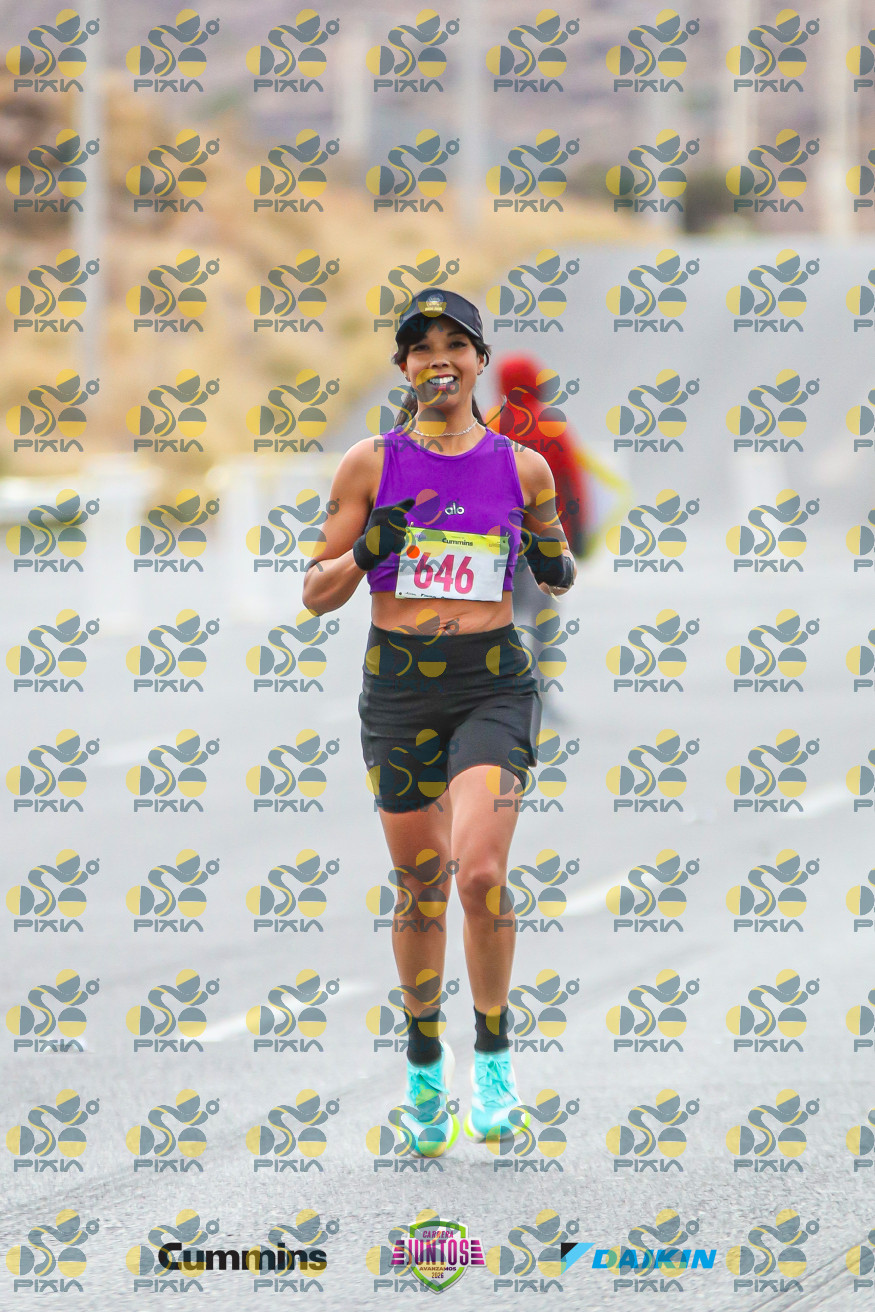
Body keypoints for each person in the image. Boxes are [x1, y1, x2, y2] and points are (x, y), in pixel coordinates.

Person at [302, 290, 576, 1155]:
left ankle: (492, 1054)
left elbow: (557, 565)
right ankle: (425, 1063)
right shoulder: (368, 465)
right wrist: (368, 551)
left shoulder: (522, 467)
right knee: (420, 883)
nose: (438, 360)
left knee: (480, 873)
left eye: (454, 344)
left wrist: (549, 555)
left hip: (489, 682)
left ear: (478, 361)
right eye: (420, 348)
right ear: (403, 368)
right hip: (398, 689)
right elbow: (315, 593)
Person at [488, 353, 590, 639]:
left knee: (506, 608)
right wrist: (578, 531)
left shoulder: (490, 425)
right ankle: (539, 667)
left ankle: (509, 661)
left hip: (501, 535)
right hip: (546, 534)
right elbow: (572, 483)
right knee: (543, 609)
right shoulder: (552, 426)